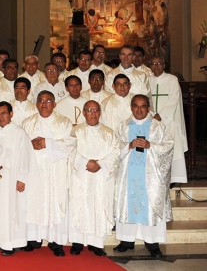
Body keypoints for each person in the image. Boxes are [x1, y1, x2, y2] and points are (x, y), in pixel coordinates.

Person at [113, 95, 174, 258]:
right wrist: (129, 145)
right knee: (128, 205)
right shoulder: (123, 126)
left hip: (150, 176)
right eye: (136, 106)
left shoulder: (157, 127)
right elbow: (113, 147)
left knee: (150, 205)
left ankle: (152, 243)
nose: (139, 109)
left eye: (143, 106)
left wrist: (150, 145)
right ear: (131, 107)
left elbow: (168, 146)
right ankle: (126, 241)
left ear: (148, 108)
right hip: (128, 174)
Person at [0, 102, 39, 255]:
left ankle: (11, 242)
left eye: (4, 113)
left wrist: (21, 179)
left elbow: (27, 157)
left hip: (11, 179)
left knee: (11, 208)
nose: (1, 117)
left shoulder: (19, 133)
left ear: (11, 114)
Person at [22, 91, 76, 256]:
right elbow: (21, 146)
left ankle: (56, 241)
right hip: (35, 171)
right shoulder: (27, 123)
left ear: (54, 104)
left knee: (55, 202)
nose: (44, 104)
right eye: (41, 101)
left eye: (48, 101)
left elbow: (71, 143)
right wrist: (29, 144)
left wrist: (47, 143)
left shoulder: (64, 123)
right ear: (36, 103)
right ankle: (33, 238)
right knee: (34, 202)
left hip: (56, 172)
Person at [68, 100, 119, 257]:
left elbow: (116, 152)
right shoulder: (75, 131)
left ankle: (96, 243)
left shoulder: (109, 133)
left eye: (96, 110)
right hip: (81, 176)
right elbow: (70, 150)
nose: (93, 113)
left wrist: (100, 164)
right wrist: (85, 162)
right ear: (83, 113)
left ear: (100, 112)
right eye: (89, 110)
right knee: (79, 206)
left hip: (101, 177)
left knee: (99, 206)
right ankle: (77, 242)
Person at [149, 56, 188, 184]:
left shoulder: (172, 79)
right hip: (152, 120)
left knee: (171, 148)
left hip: (169, 120)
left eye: (159, 63)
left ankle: (173, 179)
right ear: (150, 66)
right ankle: (156, 178)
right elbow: (146, 99)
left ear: (164, 65)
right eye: (154, 64)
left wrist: (161, 115)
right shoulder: (147, 80)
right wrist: (152, 114)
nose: (156, 66)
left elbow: (174, 98)